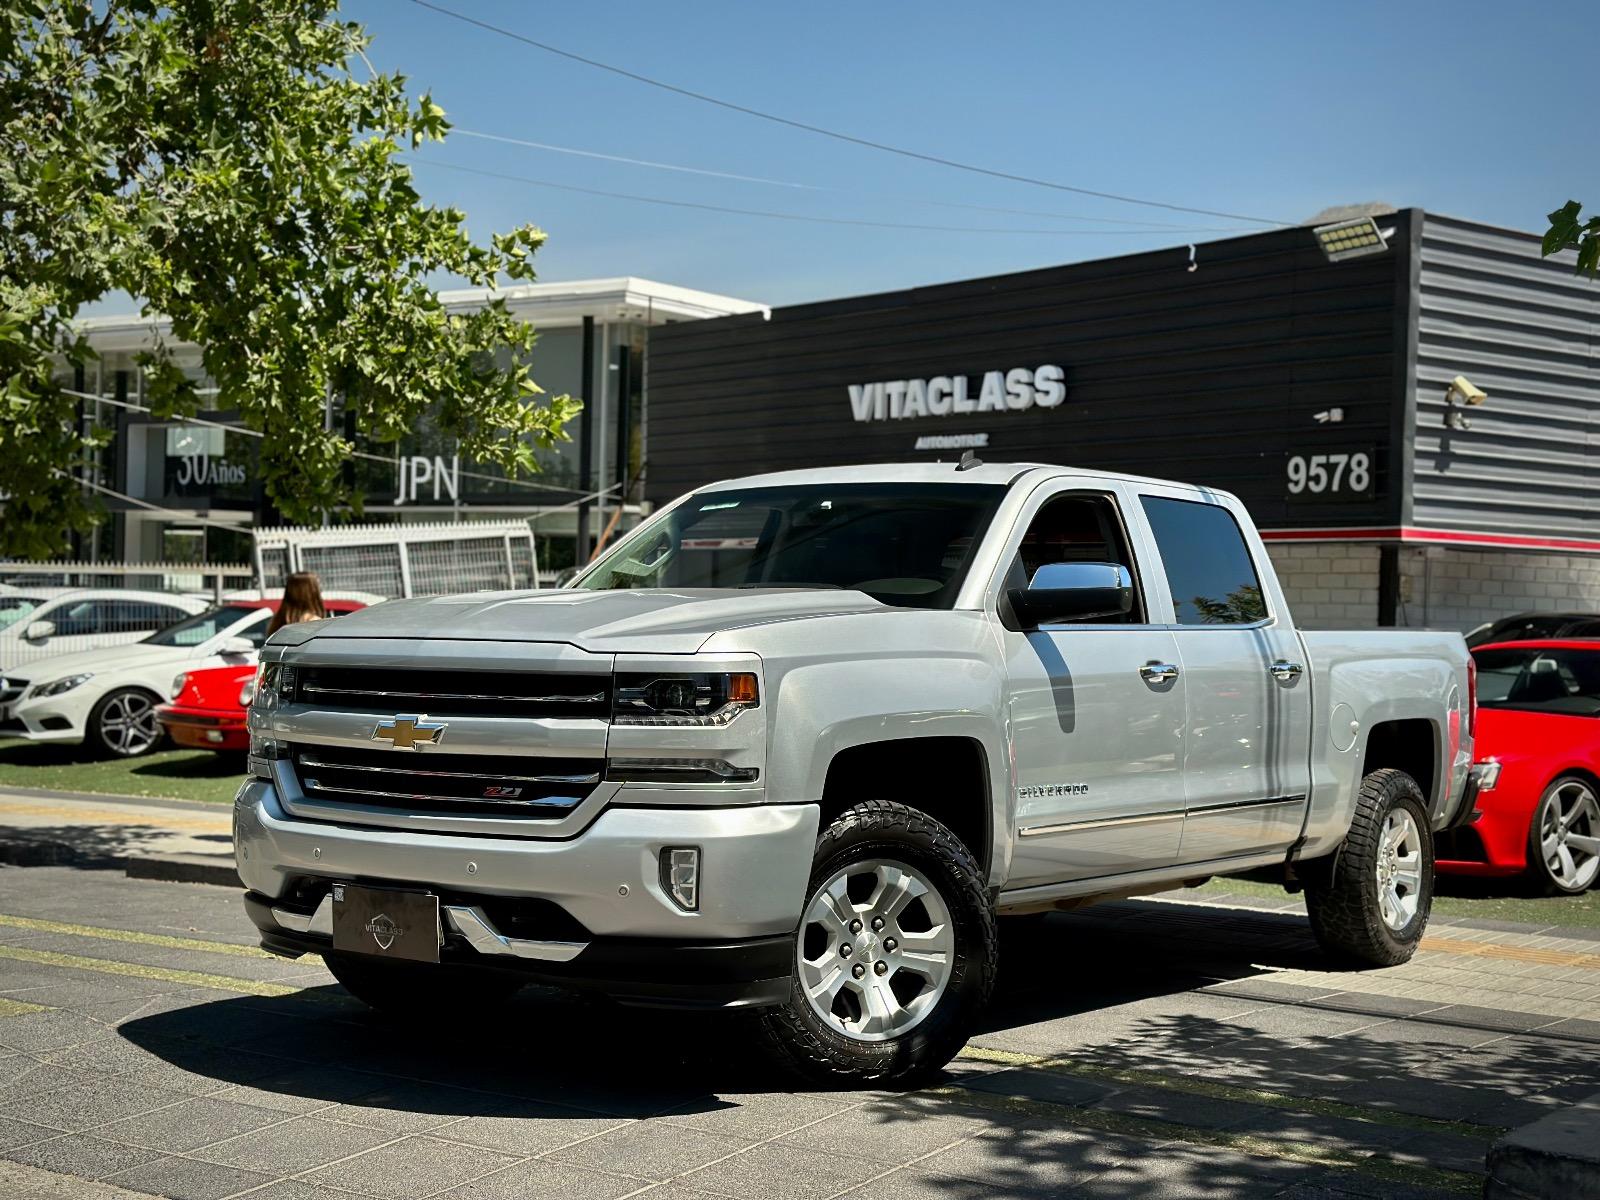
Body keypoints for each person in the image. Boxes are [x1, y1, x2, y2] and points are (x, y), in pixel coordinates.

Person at [267, 572, 326, 636]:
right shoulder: (314, 622)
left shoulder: (277, 621)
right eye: (317, 587)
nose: (321, 591)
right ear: (311, 592)